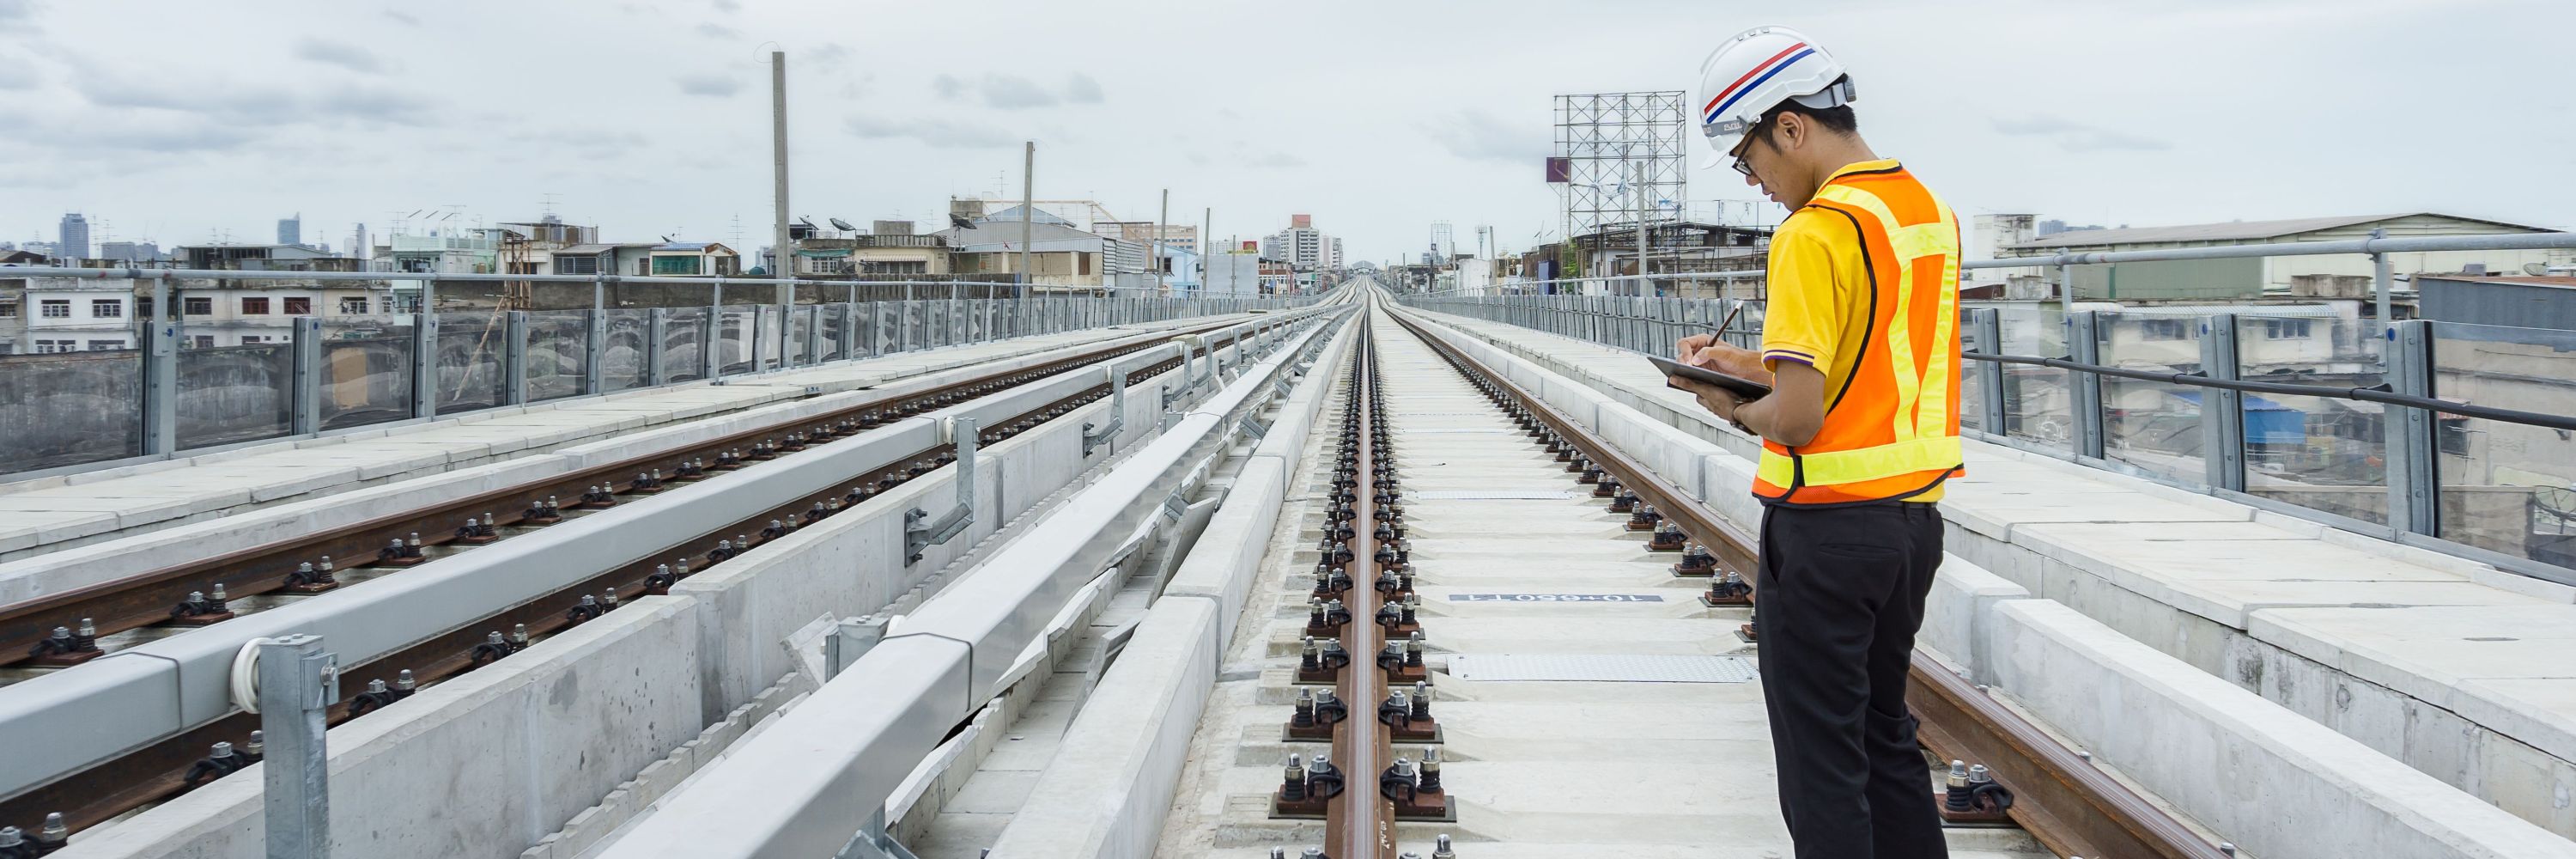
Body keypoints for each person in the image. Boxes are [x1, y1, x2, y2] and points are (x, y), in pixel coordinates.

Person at [1668, 25, 1964, 859]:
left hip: (1827, 530)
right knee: (1885, 741)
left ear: (1790, 126)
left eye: (1747, 158)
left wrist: (1725, 403)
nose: (1754, 182)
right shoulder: (1924, 211)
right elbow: (1866, 369)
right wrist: (1744, 364)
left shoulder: (1813, 231)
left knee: (1822, 767)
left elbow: (1798, 420)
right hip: (1911, 527)